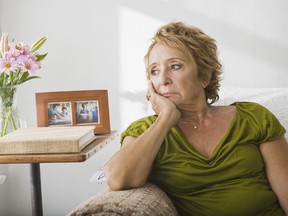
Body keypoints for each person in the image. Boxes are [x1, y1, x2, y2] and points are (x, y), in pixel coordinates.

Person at [103, 22, 288, 215]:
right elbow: (118, 179)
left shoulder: (254, 118)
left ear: (204, 76)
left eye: (174, 66)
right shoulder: (145, 131)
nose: (163, 79)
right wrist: (166, 118)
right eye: (154, 71)